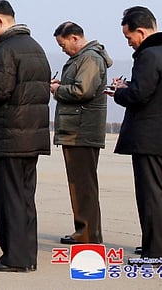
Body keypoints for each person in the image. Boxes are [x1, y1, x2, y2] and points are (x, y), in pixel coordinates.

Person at [0, 0, 50, 273]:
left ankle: (14, 257)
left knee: (10, 198)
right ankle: (28, 255)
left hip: (10, 136)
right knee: (26, 197)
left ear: (1, 21)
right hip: (33, 135)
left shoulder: (6, 49)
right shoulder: (36, 48)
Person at [110, 6, 162, 267]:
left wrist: (119, 91)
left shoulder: (149, 56)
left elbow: (139, 95)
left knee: (152, 197)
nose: (129, 43)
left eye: (129, 37)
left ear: (141, 31)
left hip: (150, 137)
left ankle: (158, 254)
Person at [50, 21, 112, 245]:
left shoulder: (90, 58)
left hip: (82, 131)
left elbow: (82, 90)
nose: (62, 49)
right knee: (80, 184)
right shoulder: (84, 58)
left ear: (75, 38)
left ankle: (88, 234)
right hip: (77, 130)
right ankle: (85, 231)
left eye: (63, 44)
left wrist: (58, 89)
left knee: (83, 185)